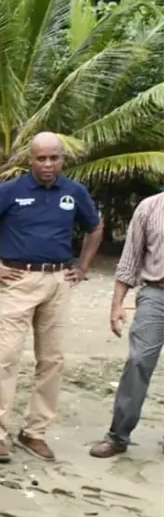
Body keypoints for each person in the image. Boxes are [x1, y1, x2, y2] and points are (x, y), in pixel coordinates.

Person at [0, 131, 103, 463]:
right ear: (31, 160)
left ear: (63, 160)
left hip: (59, 281)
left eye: (55, 157)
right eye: (42, 158)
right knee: (6, 356)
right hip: (19, 281)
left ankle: (34, 431)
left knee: (52, 361)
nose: (49, 164)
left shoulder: (74, 192)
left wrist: (82, 267)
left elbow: (95, 227)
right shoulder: (12, 190)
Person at [90, 192, 164, 458]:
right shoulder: (150, 207)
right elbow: (130, 258)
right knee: (138, 361)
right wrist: (117, 304)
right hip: (156, 294)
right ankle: (117, 436)